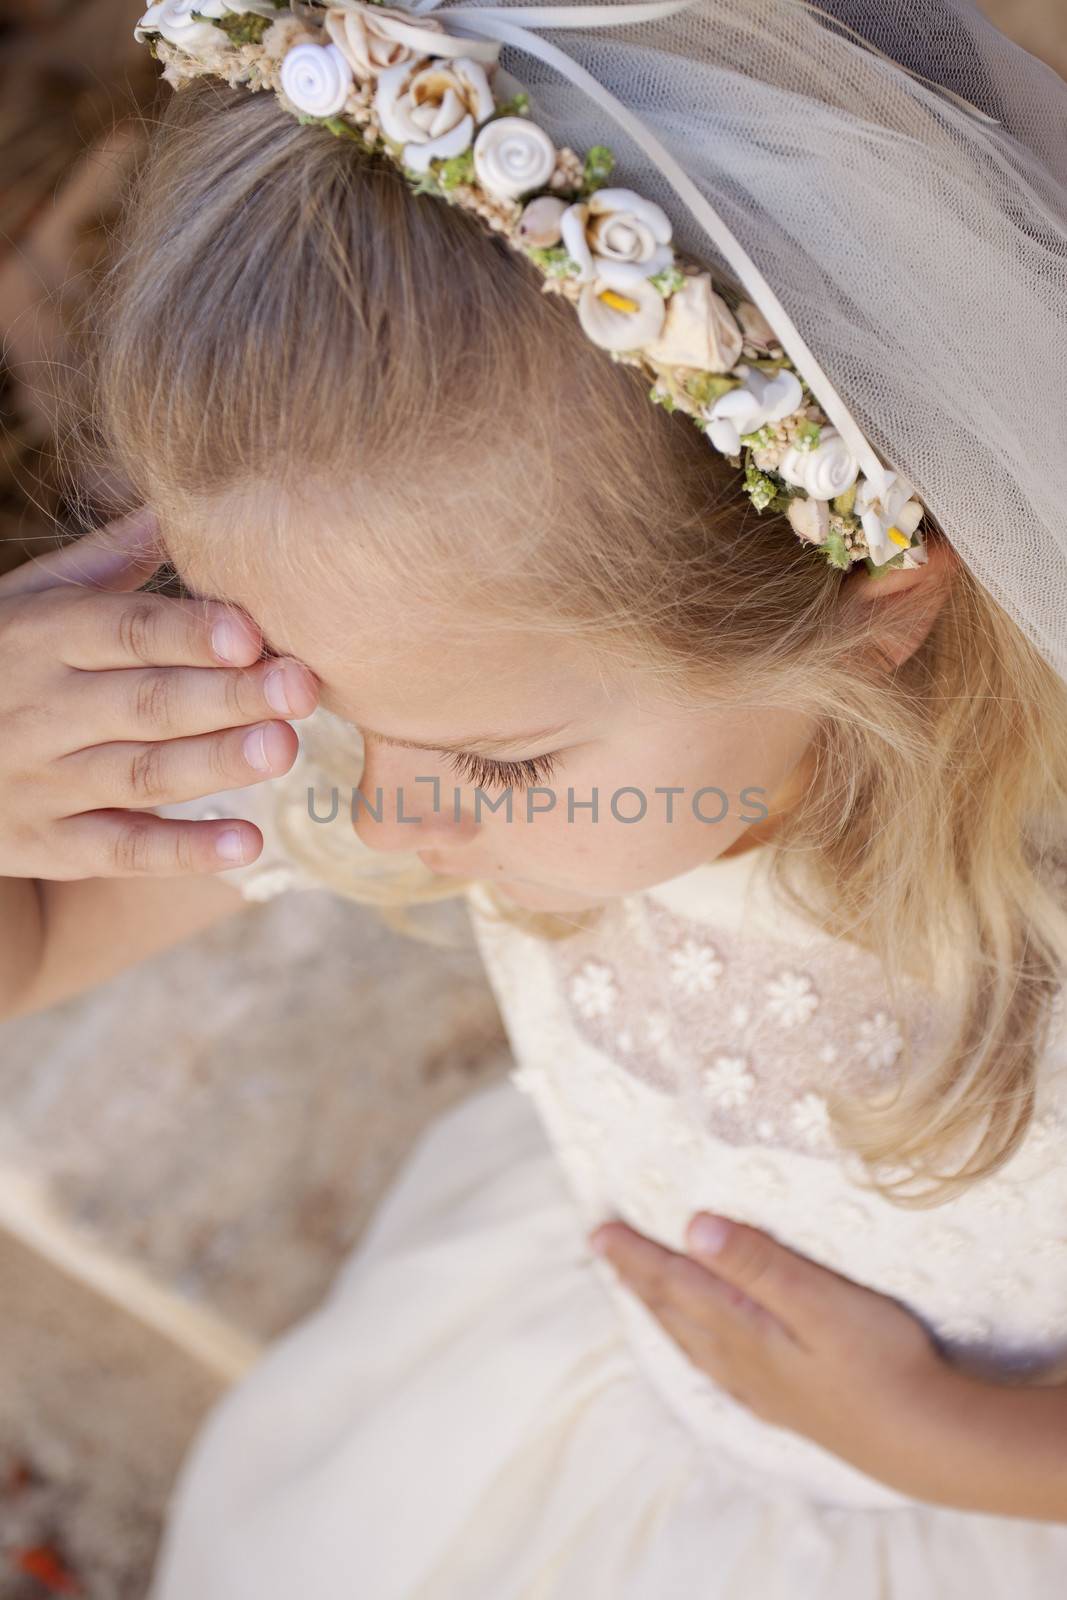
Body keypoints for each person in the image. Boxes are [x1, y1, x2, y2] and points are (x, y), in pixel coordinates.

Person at [3, 0, 1067, 1593]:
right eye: (326, 712)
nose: (390, 815)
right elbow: (31, 956)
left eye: (502, 765)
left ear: (876, 603)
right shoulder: (421, 723)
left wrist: (955, 1446)